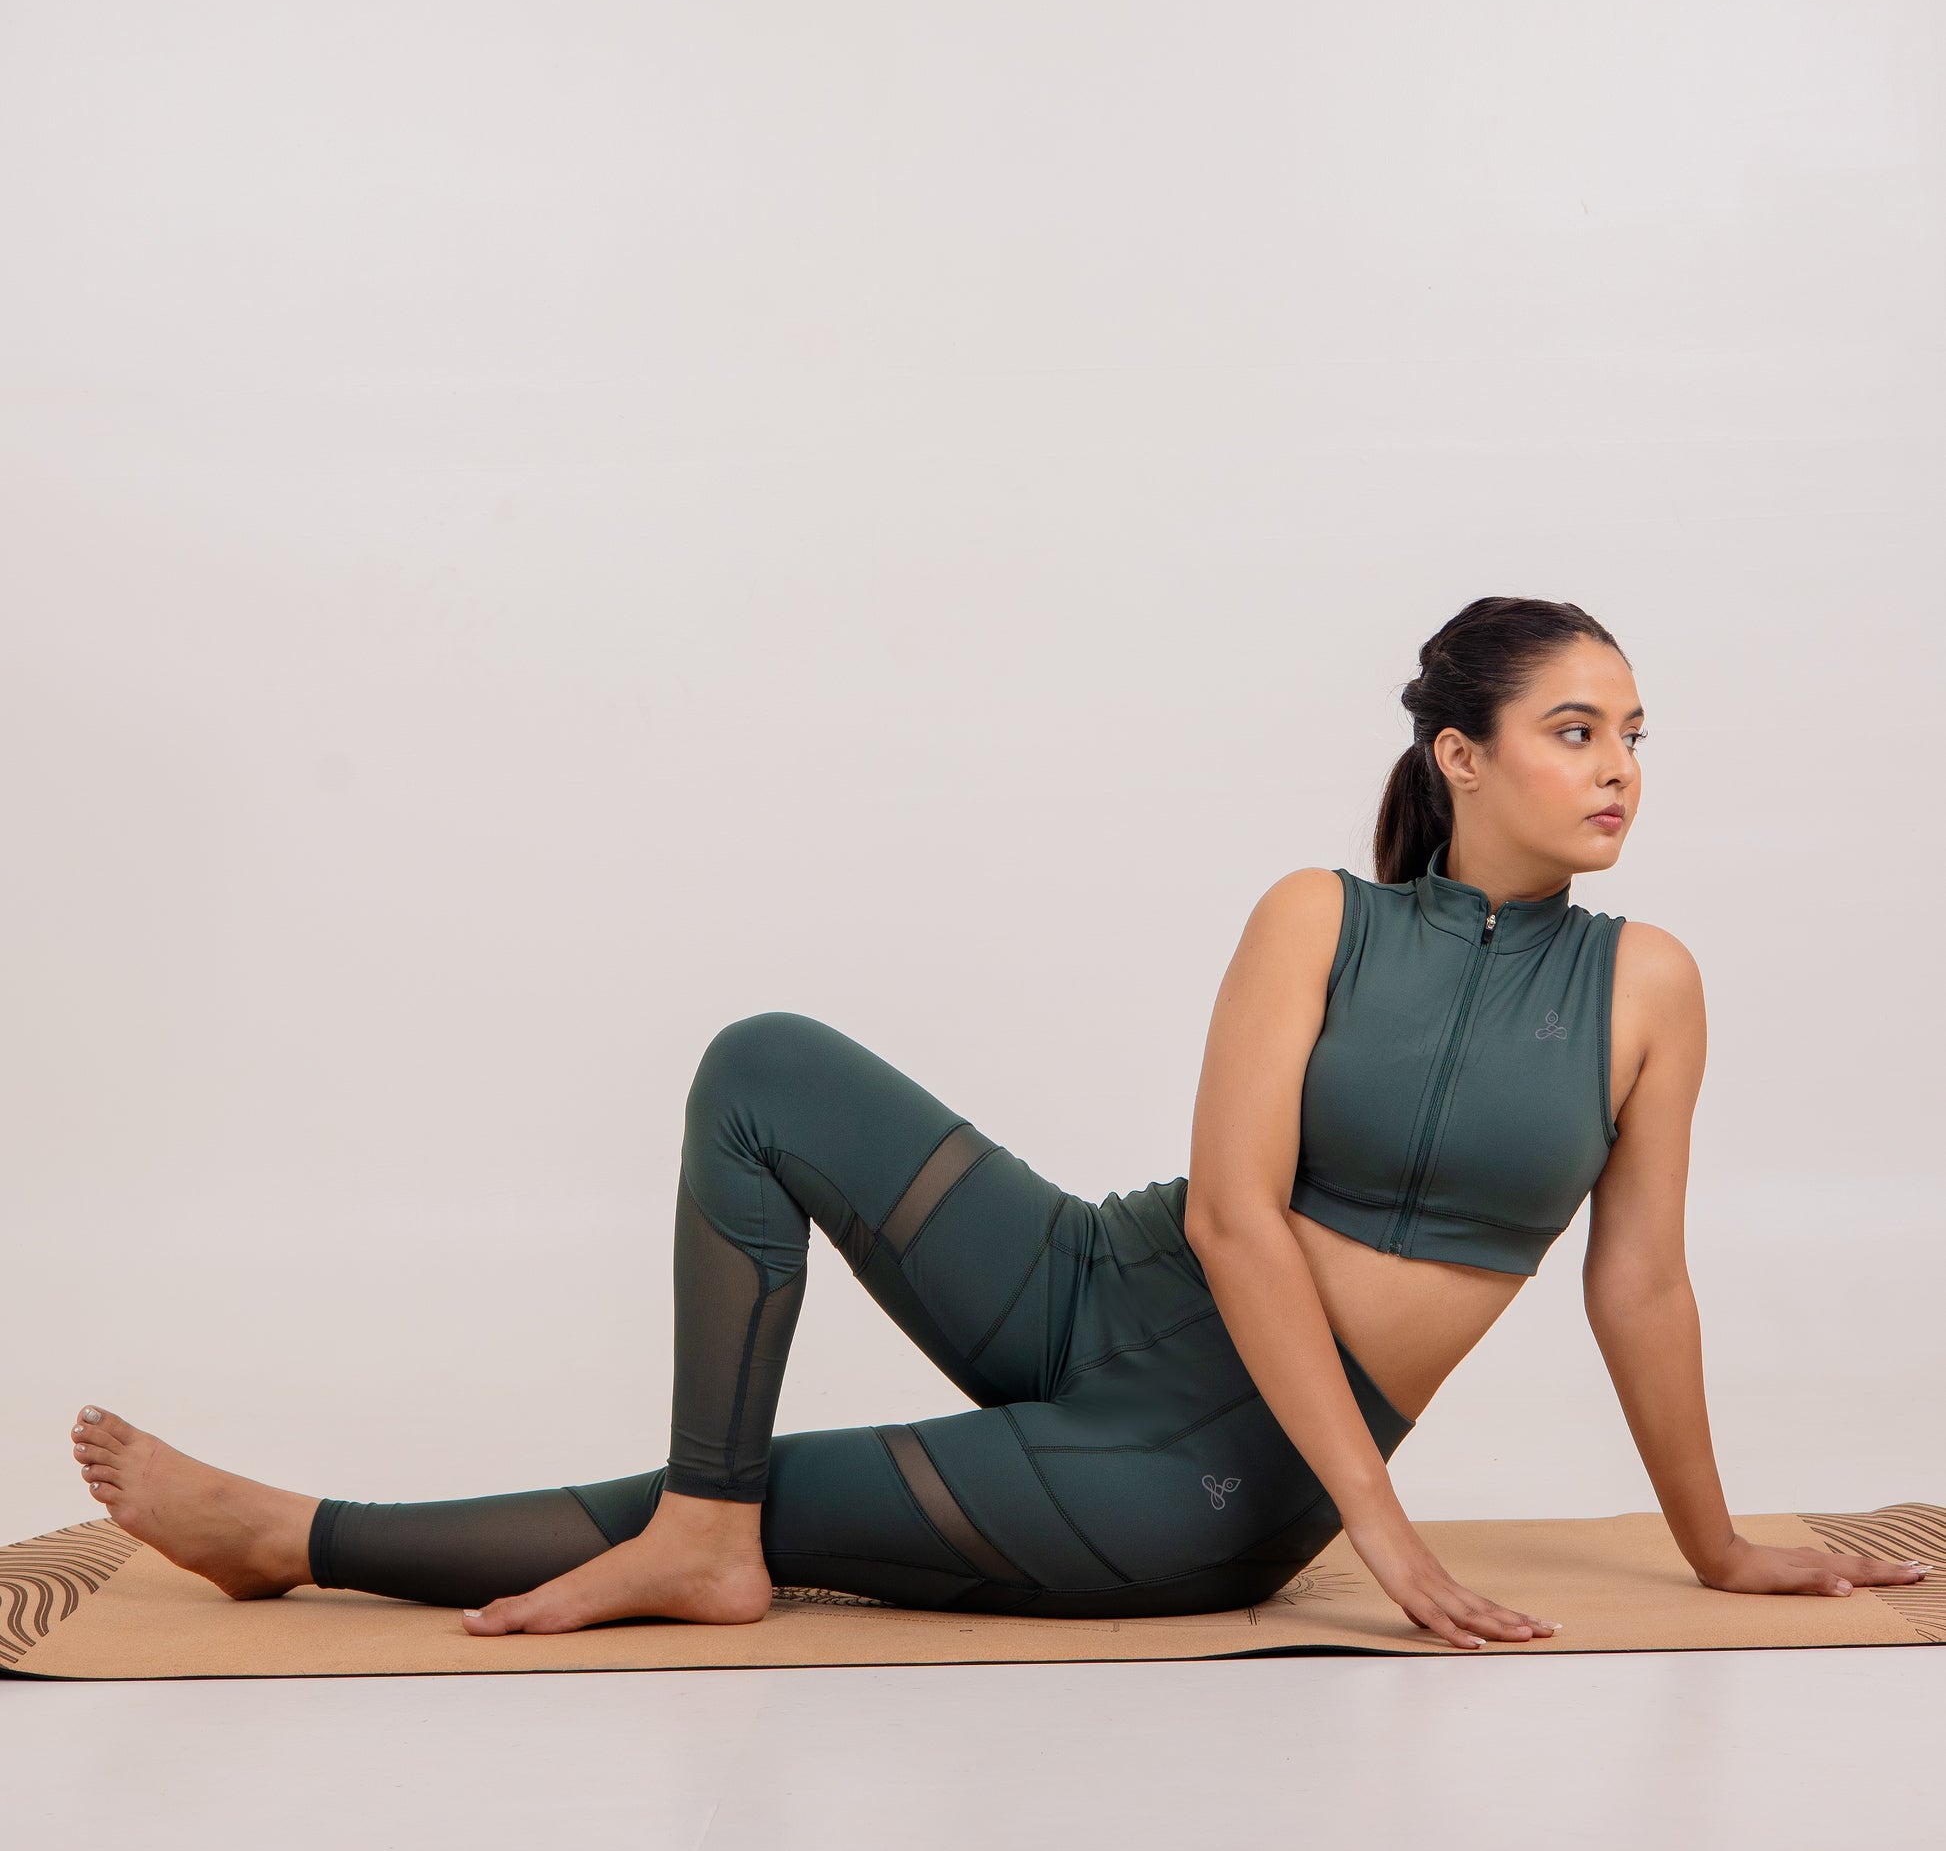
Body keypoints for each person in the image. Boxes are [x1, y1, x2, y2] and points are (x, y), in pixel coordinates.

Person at [69, 595, 1927, 1651]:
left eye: (1633, 736)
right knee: (765, 1060)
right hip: (1095, 1282)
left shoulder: (1645, 987)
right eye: (1576, 731)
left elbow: (1639, 1289)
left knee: (792, 1496)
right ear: (1462, 755)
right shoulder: (1316, 917)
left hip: (1200, 1468)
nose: (1617, 770)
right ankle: (702, 1522)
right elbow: (1230, 1217)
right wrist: (1396, 1539)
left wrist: (1712, 1548)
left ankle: (301, 1535)